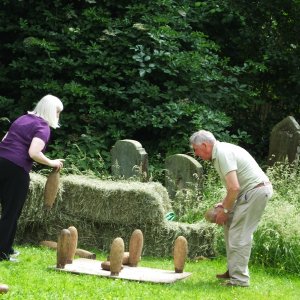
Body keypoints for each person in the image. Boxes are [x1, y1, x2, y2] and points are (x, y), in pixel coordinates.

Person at [190, 130, 273, 287]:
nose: (196, 153)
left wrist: (225, 211)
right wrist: (224, 205)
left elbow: (234, 188)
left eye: (195, 149)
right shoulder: (220, 152)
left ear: (205, 145)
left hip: (255, 192)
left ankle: (240, 280)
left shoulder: (222, 153)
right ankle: (233, 270)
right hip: (250, 192)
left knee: (239, 234)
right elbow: (234, 188)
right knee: (229, 226)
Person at [0, 94, 65, 262]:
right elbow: (33, 153)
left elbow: (5, 139)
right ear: (51, 111)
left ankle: (7, 247)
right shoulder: (43, 127)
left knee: (8, 211)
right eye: (57, 112)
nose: (58, 116)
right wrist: (52, 162)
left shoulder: (23, 119)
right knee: (11, 211)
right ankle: (2, 252)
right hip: (16, 169)